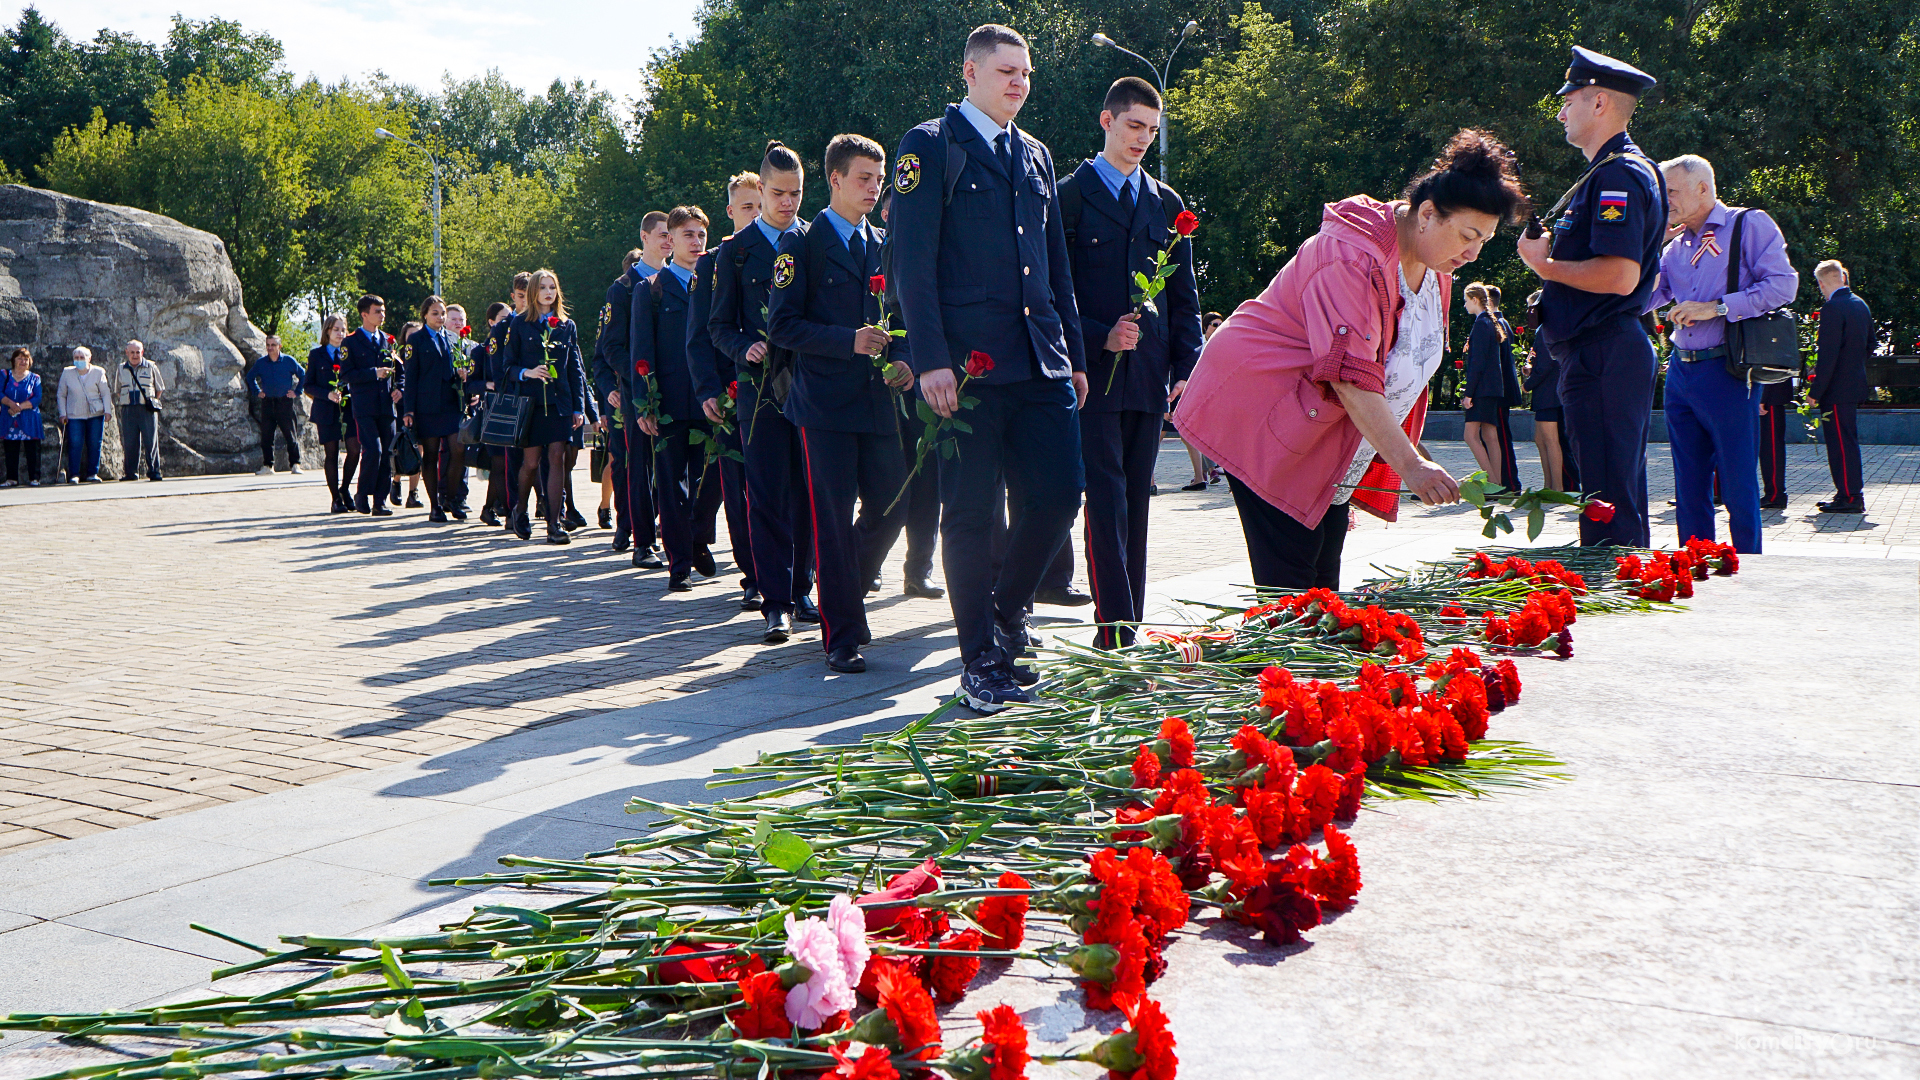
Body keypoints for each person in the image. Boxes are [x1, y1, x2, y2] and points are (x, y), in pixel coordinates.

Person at [1175, 130, 1525, 588]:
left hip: (1325, 435)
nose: (1473, 253)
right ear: (1426, 214)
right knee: (1295, 592)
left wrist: (1409, 453)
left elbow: (1401, 368)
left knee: (1321, 581)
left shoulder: (1435, 266)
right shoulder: (1349, 256)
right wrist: (1412, 466)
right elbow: (1352, 379)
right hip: (1265, 417)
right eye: (1467, 235)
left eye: (1485, 240)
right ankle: (1271, 663)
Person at [891, 24, 1088, 711]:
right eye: (1006, 71)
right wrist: (930, 360)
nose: (1019, 83)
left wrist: (1074, 356)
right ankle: (980, 660)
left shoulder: (1034, 154)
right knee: (970, 513)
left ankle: (1005, 616)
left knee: (1061, 494)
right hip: (967, 373)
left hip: (1039, 361)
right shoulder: (930, 146)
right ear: (969, 72)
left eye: (1026, 73)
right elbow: (909, 264)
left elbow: (1054, 264)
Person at [1058, 77, 1203, 649]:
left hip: (1147, 378)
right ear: (1107, 122)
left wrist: (1188, 368)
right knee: (1105, 495)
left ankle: (1130, 621)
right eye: (1134, 125)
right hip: (1093, 376)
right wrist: (1097, 337)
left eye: (1151, 128)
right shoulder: (1067, 197)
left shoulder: (1166, 205)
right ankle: (1113, 626)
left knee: (1137, 498)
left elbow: (1183, 297)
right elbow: (1054, 290)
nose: (1143, 138)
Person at [768, 134, 916, 671]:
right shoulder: (799, 246)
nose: (874, 189)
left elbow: (898, 313)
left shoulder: (883, 243)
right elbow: (782, 326)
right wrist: (846, 339)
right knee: (831, 518)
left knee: (894, 502)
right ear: (834, 180)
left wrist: (904, 359)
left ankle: (840, 590)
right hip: (824, 403)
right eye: (864, 178)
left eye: (878, 180)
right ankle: (843, 635)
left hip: (876, 400)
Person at [1517, 47, 1666, 547]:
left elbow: (1620, 275)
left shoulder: (1616, 176)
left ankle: (1616, 598)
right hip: (1603, 349)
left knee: (1607, 504)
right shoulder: (1614, 171)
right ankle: (1625, 588)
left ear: (1599, 102)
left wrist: (1544, 266)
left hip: (1602, 351)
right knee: (1612, 492)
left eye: (1569, 100)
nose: (1560, 112)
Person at [1648, 154, 1799, 552]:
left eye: (1672, 192)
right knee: (1689, 482)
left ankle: (1747, 566)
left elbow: (1783, 286)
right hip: (1682, 373)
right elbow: (1639, 300)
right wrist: (1649, 244)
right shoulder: (1675, 246)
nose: (1666, 201)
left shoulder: (1748, 224)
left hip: (1729, 371)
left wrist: (1716, 306)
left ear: (1703, 188)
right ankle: (1696, 564)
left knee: (1737, 482)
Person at [709, 141, 818, 644]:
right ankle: (774, 601)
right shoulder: (734, 253)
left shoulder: (814, 241)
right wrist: (743, 347)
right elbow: (718, 326)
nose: (788, 203)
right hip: (759, 393)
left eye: (796, 193)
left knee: (810, 494)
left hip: (812, 386)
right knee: (768, 495)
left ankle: (803, 589)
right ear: (761, 186)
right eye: (778, 193)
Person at [632, 206, 725, 591]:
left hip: (711, 400)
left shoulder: (718, 283)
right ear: (670, 240)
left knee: (715, 477)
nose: (697, 242)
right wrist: (645, 405)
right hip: (668, 402)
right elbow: (641, 349)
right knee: (671, 483)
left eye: (702, 235)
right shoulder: (651, 289)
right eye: (688, 235)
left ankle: (698, 534)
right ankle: (680, 563)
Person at [690, 173, 762, 608]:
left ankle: (793, 574)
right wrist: (709, 390)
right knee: (736, 486)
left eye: (761, 205)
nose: (756, 214)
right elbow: (699, 335)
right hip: (731, 391)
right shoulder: (714, 262)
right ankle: (752, 573)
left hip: (783, 390)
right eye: (747, 207)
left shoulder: (789, 250)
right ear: (732, 212)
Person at [873, 188, 942, 601]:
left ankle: (918, 568)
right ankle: (871, 562)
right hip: (877, 381)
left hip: (919, 377)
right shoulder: (872, 245)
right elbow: (887, 311)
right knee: (883, 481)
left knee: (926, 477)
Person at [505, 268, 586, 543]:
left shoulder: (566, 325)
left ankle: (554, 523)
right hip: (532, 404)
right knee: (531, 462)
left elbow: (575, 369)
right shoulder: (519, 324)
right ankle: (520, 509)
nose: (548, 293)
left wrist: (579, 406)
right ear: (533, 292)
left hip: (560, 403)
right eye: (542, 288)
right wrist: (526, 372)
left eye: (552, 287)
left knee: (557, 459)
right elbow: (506, 366)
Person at [594, 243, 662, 565]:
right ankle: (628, 527)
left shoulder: (675, 282)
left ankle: (647, 524)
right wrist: (613, 388)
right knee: (626, 463)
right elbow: (604, 353)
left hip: (661, 389)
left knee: (665, 467)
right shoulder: (619, 292)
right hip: (626, 393)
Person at [1810, 259, 1871, 514]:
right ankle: (1847, 493)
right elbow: (1870, 345)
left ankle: (1849, 496)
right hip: (1853, 383)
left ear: (1822, 283)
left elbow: (1828, 356)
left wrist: (1815, 391)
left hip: (1836, 389)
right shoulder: (1860, 304)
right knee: (1847, 441)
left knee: (1840, 444)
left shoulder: (1833, 308)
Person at [403, 296, 470, 523]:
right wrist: (409, 410)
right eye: (435, 313)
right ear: (425, 315)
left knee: (459, 449)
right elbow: (410, 378)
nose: (440, 317)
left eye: (442, 313)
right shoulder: (417, 340)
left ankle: (450, 497)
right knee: (430, 456)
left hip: (450, 404)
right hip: (427, 406)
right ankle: (435, 506)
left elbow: (455, 368)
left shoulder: (451, 338)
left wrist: (461, 376)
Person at [343, 294, 403, 516]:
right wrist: (373, 373)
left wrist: (400, 389)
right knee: (373, 450)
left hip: (386, 406)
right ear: (364, 314)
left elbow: (400, 372)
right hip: (365, 406)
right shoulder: (350, 342)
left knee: (388, 452)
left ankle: (380, 500)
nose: (382, 315)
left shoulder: (388, 340)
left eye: (383, 310)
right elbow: (347, 374)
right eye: (377, 311)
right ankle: (362, 494)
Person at [1459, 282, 1514, 490]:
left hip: (1482, 390)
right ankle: (1498, 484)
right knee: (1490, 436)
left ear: (1475, 300)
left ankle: (1492, 483)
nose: (1465, 306)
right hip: (1493, 389)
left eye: (1466, 301)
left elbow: (1477, 364)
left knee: (1470, 436)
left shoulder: (1481, 324)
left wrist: (1468, 393)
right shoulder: (1490, 323)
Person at [305, 316, 360, 512]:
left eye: (343, 329)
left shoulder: (349, 354)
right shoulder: (316, 355)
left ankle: (344, 489)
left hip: (349, 409)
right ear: (328, 331)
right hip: (326, 411)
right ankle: (335, 498)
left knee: (355, 449)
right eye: (336, 329)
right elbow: (308, 385)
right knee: (332, 453)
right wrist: (326, 394)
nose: (340, 333)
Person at [477, 299, 515, 526]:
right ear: (492, 322)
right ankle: (502, 508)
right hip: (495, 409)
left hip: (511, 404)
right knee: (499, 464)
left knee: (509, 464)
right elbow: (473, 383)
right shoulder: (482, 350)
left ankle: (493, 507)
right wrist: (486, 385)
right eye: (502, 319)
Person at [1178, 312, 1225, 491]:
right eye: (1215, 324)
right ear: (1205, 326)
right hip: (1197, 392)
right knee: (1195, 433)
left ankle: (1207, 472)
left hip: (1214, 394)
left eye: (1221, 324)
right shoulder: (1199, 345)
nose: (1218, 328)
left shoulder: (1223, 344)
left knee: (1199, 433)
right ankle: (1207, 472)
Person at [246, 334, 305, 475]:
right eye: (268, 345)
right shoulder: (261, 363)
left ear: (280, 346)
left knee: (290, 435)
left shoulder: (289, 361)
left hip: (285, 402)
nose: (270, 348)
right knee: (266, 436)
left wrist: (297, 392)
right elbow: (250, 377)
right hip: (268, 402)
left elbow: (303, 375)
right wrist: (256, 391)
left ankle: (295, 464)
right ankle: (267, 466)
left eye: (273, 345)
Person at [56, 345, 109, 483]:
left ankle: (92, 473)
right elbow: (61, 394)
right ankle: (74, 474)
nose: (79, 360)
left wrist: (107, 411)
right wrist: (63, 413)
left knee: (94, 443)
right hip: (74, 415)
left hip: (95, 414)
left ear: (89, 358)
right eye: (76, 358)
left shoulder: (98, 372)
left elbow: (105, 393)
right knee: (75, 444)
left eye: (82, 357)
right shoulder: (67, 372)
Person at [116, 339, 165, 481]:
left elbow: (159, 388)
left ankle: (154, 472)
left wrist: (150, 401)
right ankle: (131, 473)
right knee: (130, 442)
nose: (135, 355)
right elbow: (118, 390)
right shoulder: (121, 368)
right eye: (132, 352)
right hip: (128, 409)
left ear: (142, 352)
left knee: (151, 441)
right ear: (127, 353)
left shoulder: (151, 366)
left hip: (146, 409)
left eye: (138, 352)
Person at [392, 320, 426, 509]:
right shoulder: (397, 358)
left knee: (418, 449)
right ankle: (396, 481)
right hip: (403, 407)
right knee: (402, 446)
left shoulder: (426, 354)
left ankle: (413, 493)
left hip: (423, 407)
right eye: (409, 334)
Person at [1, 347, 44, 486]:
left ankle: (35, 478)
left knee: (33, 449)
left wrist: (20, 407)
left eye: (26, 359)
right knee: (10, 450)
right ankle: (11, 478)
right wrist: (11, 404)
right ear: (13, 360)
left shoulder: (35, 378)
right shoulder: (4, 375)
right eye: (19, 358)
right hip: (9, 418)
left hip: (29, 418)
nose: (22, 361)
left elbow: (37, 398)